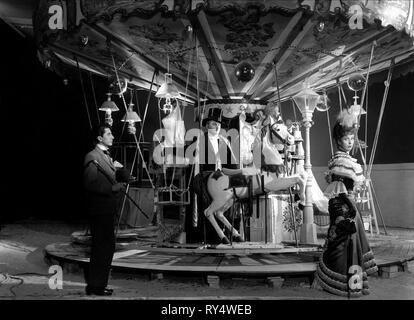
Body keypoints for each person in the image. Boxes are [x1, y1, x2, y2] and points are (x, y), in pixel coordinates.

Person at [314, 110, 378, 297]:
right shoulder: (341, 161)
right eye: (346, 138)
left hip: (349, 206)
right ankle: (342, 284)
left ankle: (353, 285)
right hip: (343, 206)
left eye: (351, 138)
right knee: (342, 245)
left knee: (353, 246)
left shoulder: (346, 160)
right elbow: (339, 190)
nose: (350, 141)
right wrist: (349, 209)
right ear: (338, 140)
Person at [83, 124, 126, 296]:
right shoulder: (92, 156)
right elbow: (89, 183)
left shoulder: (105, 156)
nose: (113, 136)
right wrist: (112, 189)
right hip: (99, 209)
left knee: (107, 247)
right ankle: (95, 286)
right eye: (109, 134)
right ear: (100, 138)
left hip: (107, 209)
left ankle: (99, 284)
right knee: (102, 247)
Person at [193, 107, 240, 244]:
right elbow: (196, 164)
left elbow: (233, 163)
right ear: (207, 125)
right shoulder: (200, 140)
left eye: (219, 124)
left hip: (223, 178)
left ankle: (229, 233)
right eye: (214, 124)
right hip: (206, 178)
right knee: (209, 204)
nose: (217, 127)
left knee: (233, 196)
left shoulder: (225, 141)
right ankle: (211, 238)